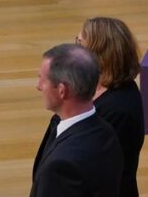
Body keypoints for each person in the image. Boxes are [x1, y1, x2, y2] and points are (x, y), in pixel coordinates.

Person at [32, 43, 123, 197]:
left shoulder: (61, 167)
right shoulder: (108, 133)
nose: (38, 86)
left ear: (62, 90)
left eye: (42, 80)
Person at [77, 17, 145, 197]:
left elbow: (100, 166)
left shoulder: (120, 107)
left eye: (80, 43)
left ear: (100, 53)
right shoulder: (93, 85)